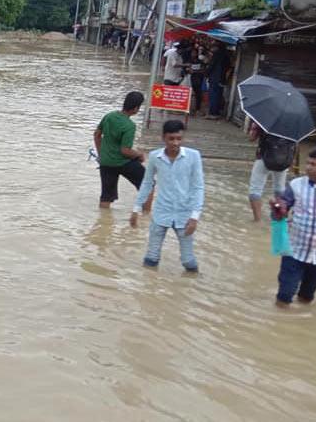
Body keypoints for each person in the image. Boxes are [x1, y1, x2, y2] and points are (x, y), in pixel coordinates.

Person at [270, 147, 316, 307]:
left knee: (307, 296)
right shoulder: (296, 185)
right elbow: (281, 210)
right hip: (294, 251)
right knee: (285, 293)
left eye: (314, 164)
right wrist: (277, 209)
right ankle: (281, 319)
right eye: (307, 163)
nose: (307, 167)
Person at [131, 120, 204, 272]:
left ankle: (191, 287)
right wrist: (136, 208)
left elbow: (198, 187)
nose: (175, 143)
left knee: (188, 260)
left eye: (179, 138)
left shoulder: (193, 156)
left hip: (185, 213)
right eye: (171, 139)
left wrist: (195, 216)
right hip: (161, 212)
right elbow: (147, 183)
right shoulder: (155, 157)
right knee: (151, 257)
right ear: (163, 138)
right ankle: (147, 289)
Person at [94, 91, 148, 209]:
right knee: (148, 184)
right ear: (135, 108)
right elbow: (125, 151)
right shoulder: (129, 126)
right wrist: (139, 155)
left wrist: (101, 154)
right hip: (122, 162)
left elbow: (97, 135)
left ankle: (103, 222)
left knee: (106, 197)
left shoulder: (109, 116)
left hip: (106, 162)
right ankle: (146, 217)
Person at [247, 120, 291, 221]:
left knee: (255, 190)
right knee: (279, 189)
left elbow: (252, 138)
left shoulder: (264, 117)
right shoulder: (294, 121)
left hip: (264, 157)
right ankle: (278, 218)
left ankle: (257, 221)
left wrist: (254, 127)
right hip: (283, 159)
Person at [206, 42, 230, 120]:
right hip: (222, 79)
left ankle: (212, 113)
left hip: (215, 78)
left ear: (217, 47)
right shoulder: (226, 55)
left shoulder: (217, 55)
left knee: (213, 95)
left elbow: (211, 66)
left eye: (213, 47)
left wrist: (206, 73)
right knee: (218, 95)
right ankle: (216, 112)